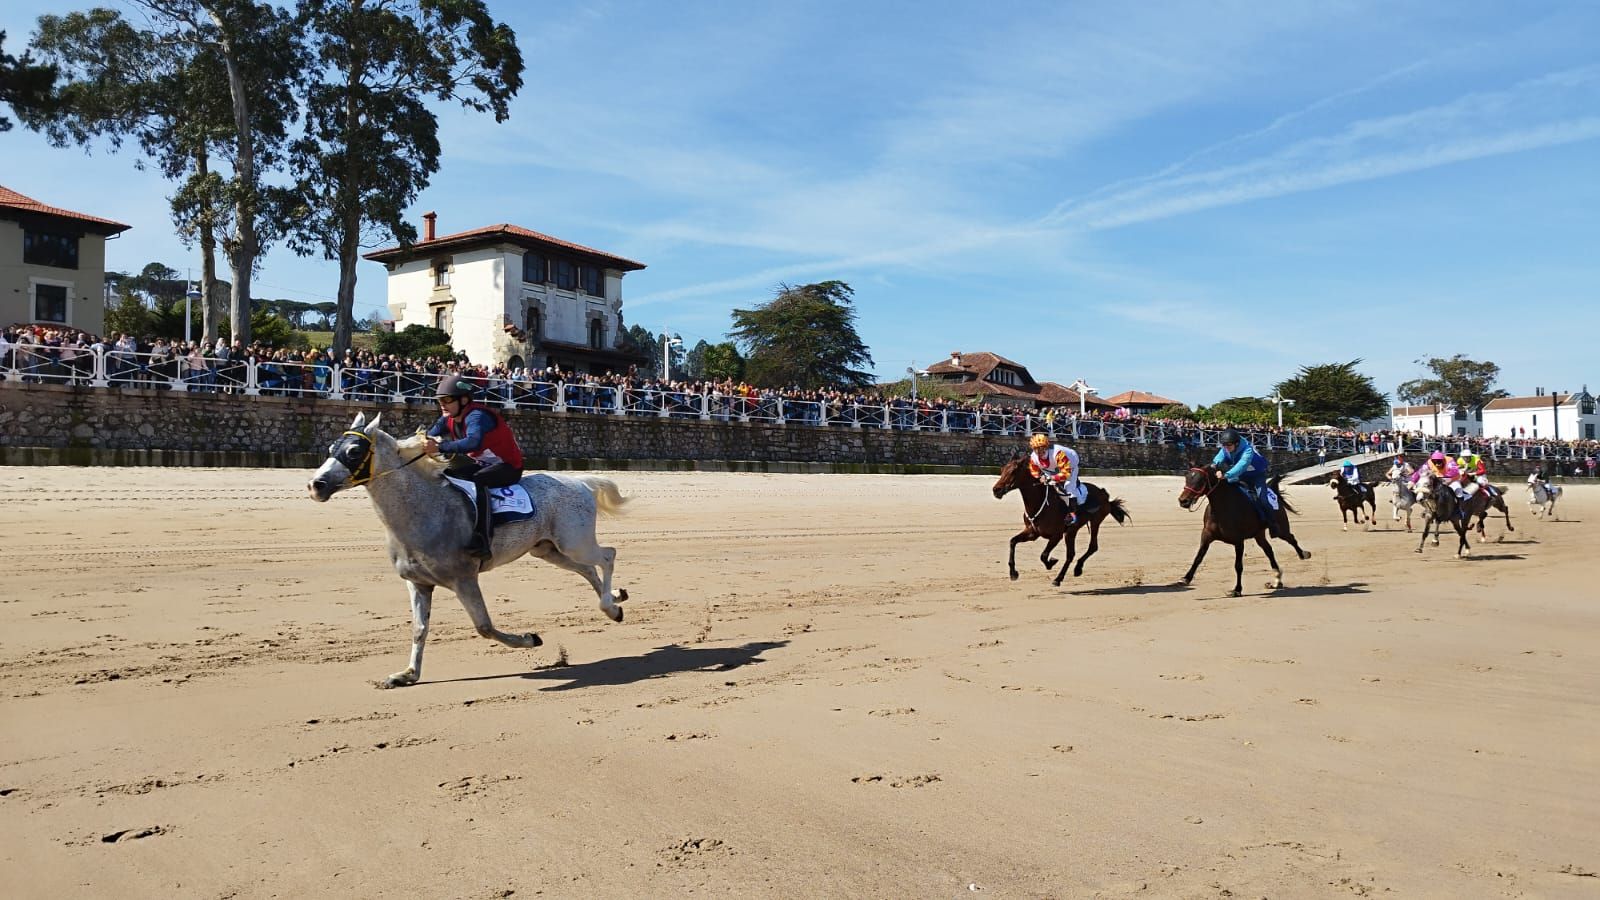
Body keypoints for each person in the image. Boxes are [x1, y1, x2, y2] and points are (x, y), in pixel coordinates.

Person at [424, 375, 526, 559]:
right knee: (447, 476)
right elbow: (427, 436)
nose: (442, 404)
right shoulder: (447, 418)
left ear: (463, 400)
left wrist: (439, 447)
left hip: (509, 467)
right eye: (439, 400)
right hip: (483, 464)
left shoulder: (477, 416)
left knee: (477, 481)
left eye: (447, 400)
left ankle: (482, 539)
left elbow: (473, 442)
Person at [1212, 427, 1280, 536]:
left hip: (1257, 476)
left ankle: (1272, 524)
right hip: (1241, 475)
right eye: (1224, 446)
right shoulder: (1227, 445)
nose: (1226, 448)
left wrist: (1225, 475)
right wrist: (1214, 466)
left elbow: (1241, 466)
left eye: (1228, 446)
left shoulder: (1248, 451)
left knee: (1262, 499)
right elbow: (1218, 458)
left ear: (1237, 444)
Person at [1027, 432, 1082, 525]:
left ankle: (1072, 515)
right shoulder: (1033, 457)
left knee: (1069, 487)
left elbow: (1066, 474)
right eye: (1036, 449)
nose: (1039, 451)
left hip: (1070, 466)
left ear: (1046, 446)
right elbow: (1034, 471)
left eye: (1041, 448)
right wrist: (1040, 477)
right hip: (1052, 469)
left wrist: (1052, 478)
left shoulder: (1058, 453)